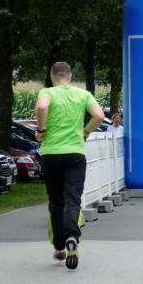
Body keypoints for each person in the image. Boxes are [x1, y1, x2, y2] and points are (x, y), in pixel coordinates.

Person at [35, 61, 104, 270]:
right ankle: (72, 236)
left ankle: (59, 248)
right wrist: (86, 131)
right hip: (75, 153)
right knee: (73, 198)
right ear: (70, 76)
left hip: (51, 153)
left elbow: (42, 107)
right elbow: (99, 116)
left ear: (52, 76)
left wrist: (41, 130)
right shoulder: (83, 94)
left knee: (56, 201)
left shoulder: (47, 92)